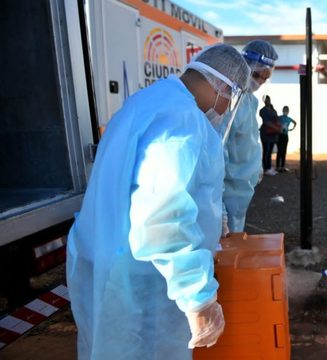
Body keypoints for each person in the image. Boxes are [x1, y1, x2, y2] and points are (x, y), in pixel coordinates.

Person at [66, 44, 250, 359]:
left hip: (108, 262)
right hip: (143, 279)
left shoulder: (148, 103)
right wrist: (198, 296)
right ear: (221, 85)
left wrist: (211, 213)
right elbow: (162, 216)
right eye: (230, 100)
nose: (224, 111)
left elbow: (153, 187)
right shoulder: (183, 120)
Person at [221, 40, 278, 235]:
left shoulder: (249, 101)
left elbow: (249, 137)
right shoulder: (227, 100)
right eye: (256, 75)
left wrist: (257, 166)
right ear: (243, 66)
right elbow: (217, 152)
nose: (259, 82)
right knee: (226, 244)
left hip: (242, 186)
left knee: (235, 237)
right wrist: (219, 208)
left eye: (264, 78)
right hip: (229, 188)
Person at [259, 94, 280, 176]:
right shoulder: (263, 110)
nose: (268, 101)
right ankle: (266, 168)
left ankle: (269, 167)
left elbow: (276, 119)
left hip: (273, 133)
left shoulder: (272, 109)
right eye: (266, 99)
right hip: (266, 133)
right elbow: (266, 122)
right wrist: (275, 127)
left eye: (269, 99)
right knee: (266, 151)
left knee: (270, 151)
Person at [276, 105, 297, 172]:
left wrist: (291, 129)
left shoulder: (289, 118)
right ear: (283, 110)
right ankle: (277, 166)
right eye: (284, 110)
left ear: (288, 111)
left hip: (285, 136)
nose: (285, 111)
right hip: (280, 135)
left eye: (286, 110)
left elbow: (295, 122)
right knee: (279, 151)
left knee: (284, 151)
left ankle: (282, 166)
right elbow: (275, 122)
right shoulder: (279, 117)